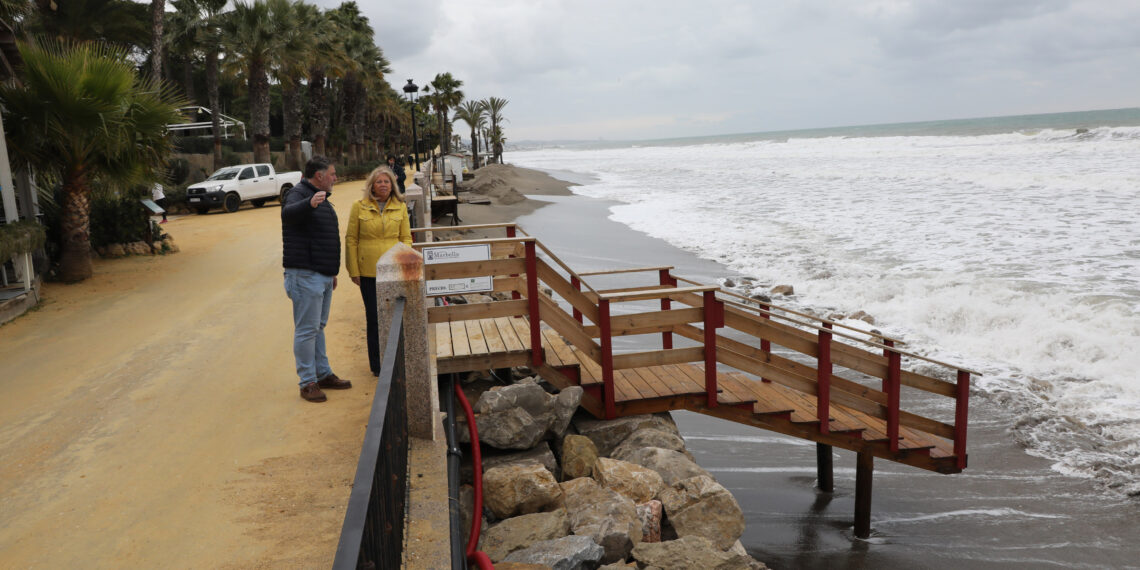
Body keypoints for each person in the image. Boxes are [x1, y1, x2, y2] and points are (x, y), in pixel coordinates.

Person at [281, 156, 352, 403]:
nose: (335, 178)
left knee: (317, 328)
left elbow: (322, 238)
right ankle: (307, 382)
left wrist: (330, 271)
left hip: (320, 275)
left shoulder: (319, 198)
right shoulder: (298, 194)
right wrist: (309, 204)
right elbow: (287, 215)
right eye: (332, 174)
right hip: (304, 275)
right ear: (319, 175)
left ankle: (322, 374)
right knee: (306, 330)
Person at [345, 166, 412, 375]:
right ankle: (377, 365)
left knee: (395, 316)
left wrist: (406, 263)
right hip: (368, 271)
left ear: (393, 185)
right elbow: (351, 239)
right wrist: (353, 270)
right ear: (371, 185)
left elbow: (406, 238)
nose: (383, 185)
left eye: (387, 181)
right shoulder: (359, 207)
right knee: (374, 318)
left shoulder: (400, 207)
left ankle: (397, 360)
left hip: (393, 270)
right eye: (379, 181)